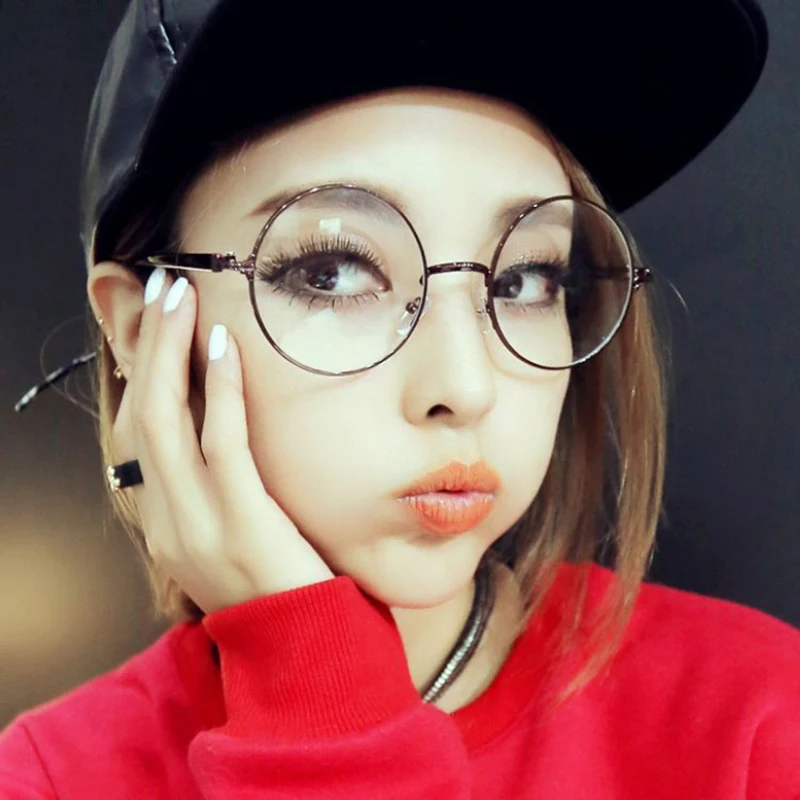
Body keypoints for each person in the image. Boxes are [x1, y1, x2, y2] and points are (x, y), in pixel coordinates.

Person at [3, 0, 798, 797]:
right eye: (333, 271)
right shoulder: (54, 778)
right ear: (142, 330)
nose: (466, 387)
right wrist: (315, 694)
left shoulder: (758, 723)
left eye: (524, 279)